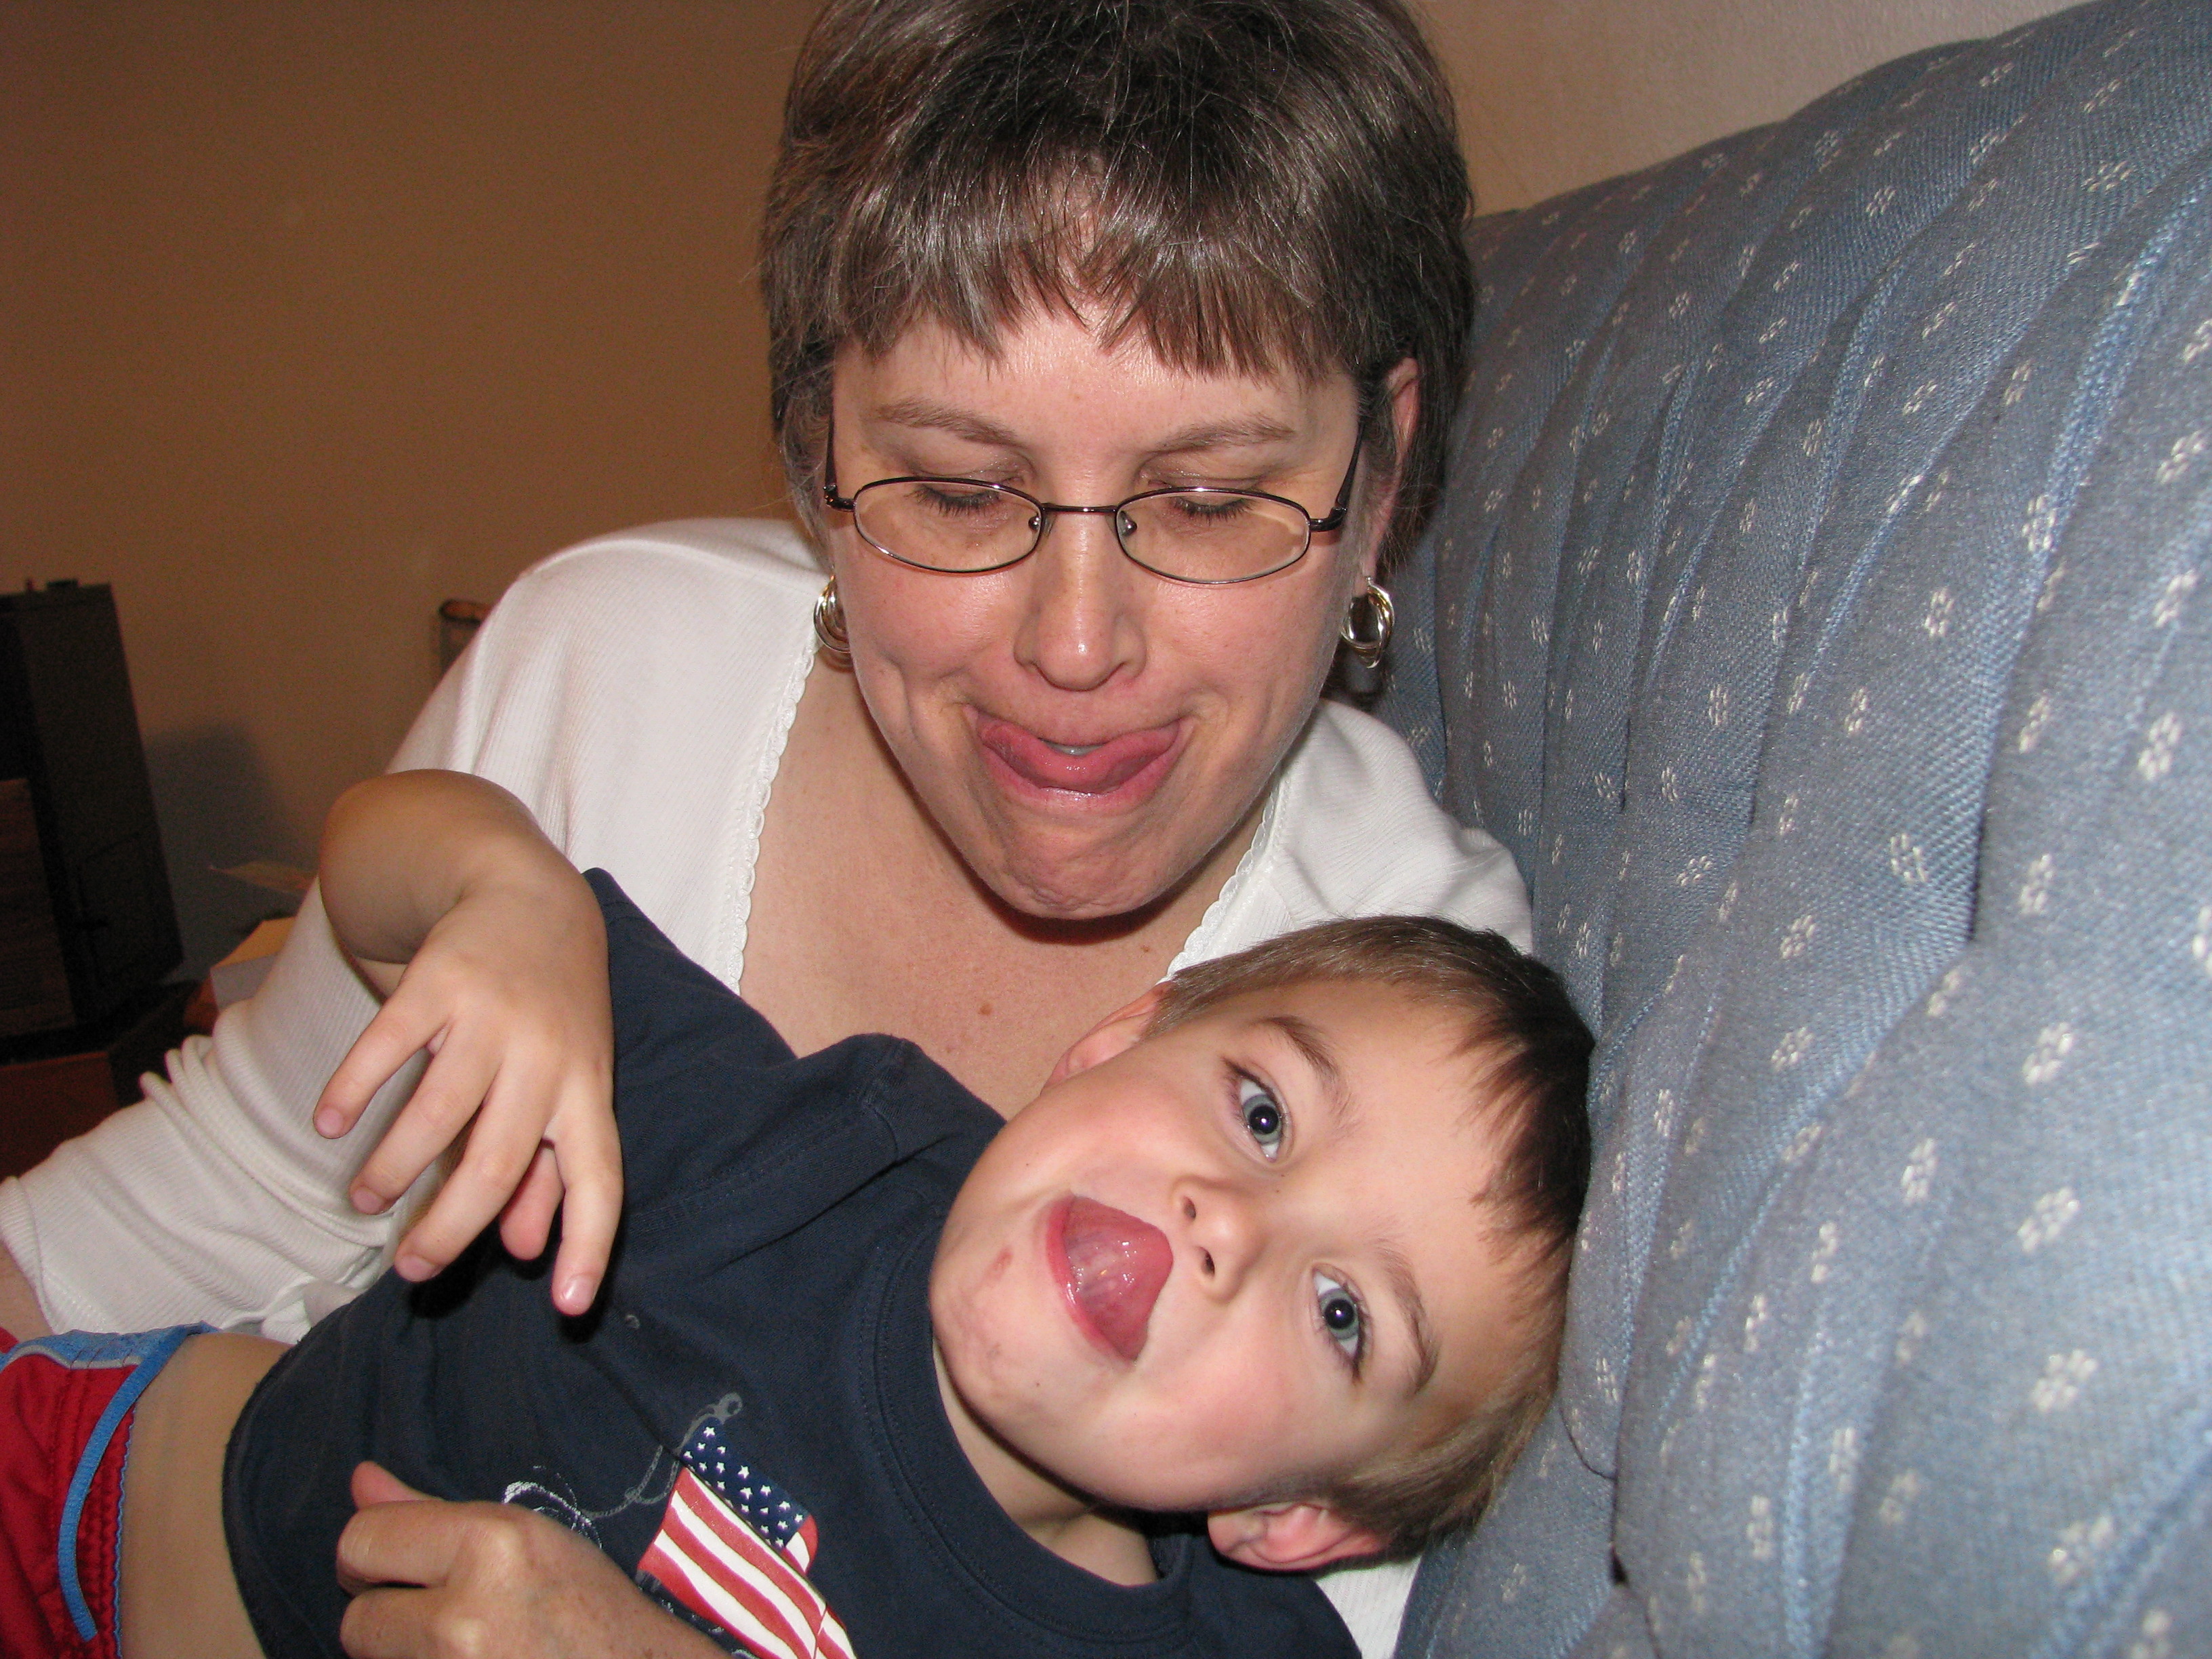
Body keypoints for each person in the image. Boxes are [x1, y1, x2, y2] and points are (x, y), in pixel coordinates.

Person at [0, 0, 1514, 1649]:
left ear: (1380, 470)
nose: (1077, 647)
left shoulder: (1427, 1072)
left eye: (1211, 500)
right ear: (817, 443)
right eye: (957, 489)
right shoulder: (610, 665)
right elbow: (233, 1192)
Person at [0, 779, 1592, 1659]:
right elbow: (371, 862)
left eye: (1342, 1315)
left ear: (1301, 1519)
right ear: (1122, 1039)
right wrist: (511, 899)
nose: (1232, 1225)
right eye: (1260, 1112)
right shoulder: (806, 1144)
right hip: (99, 1519)